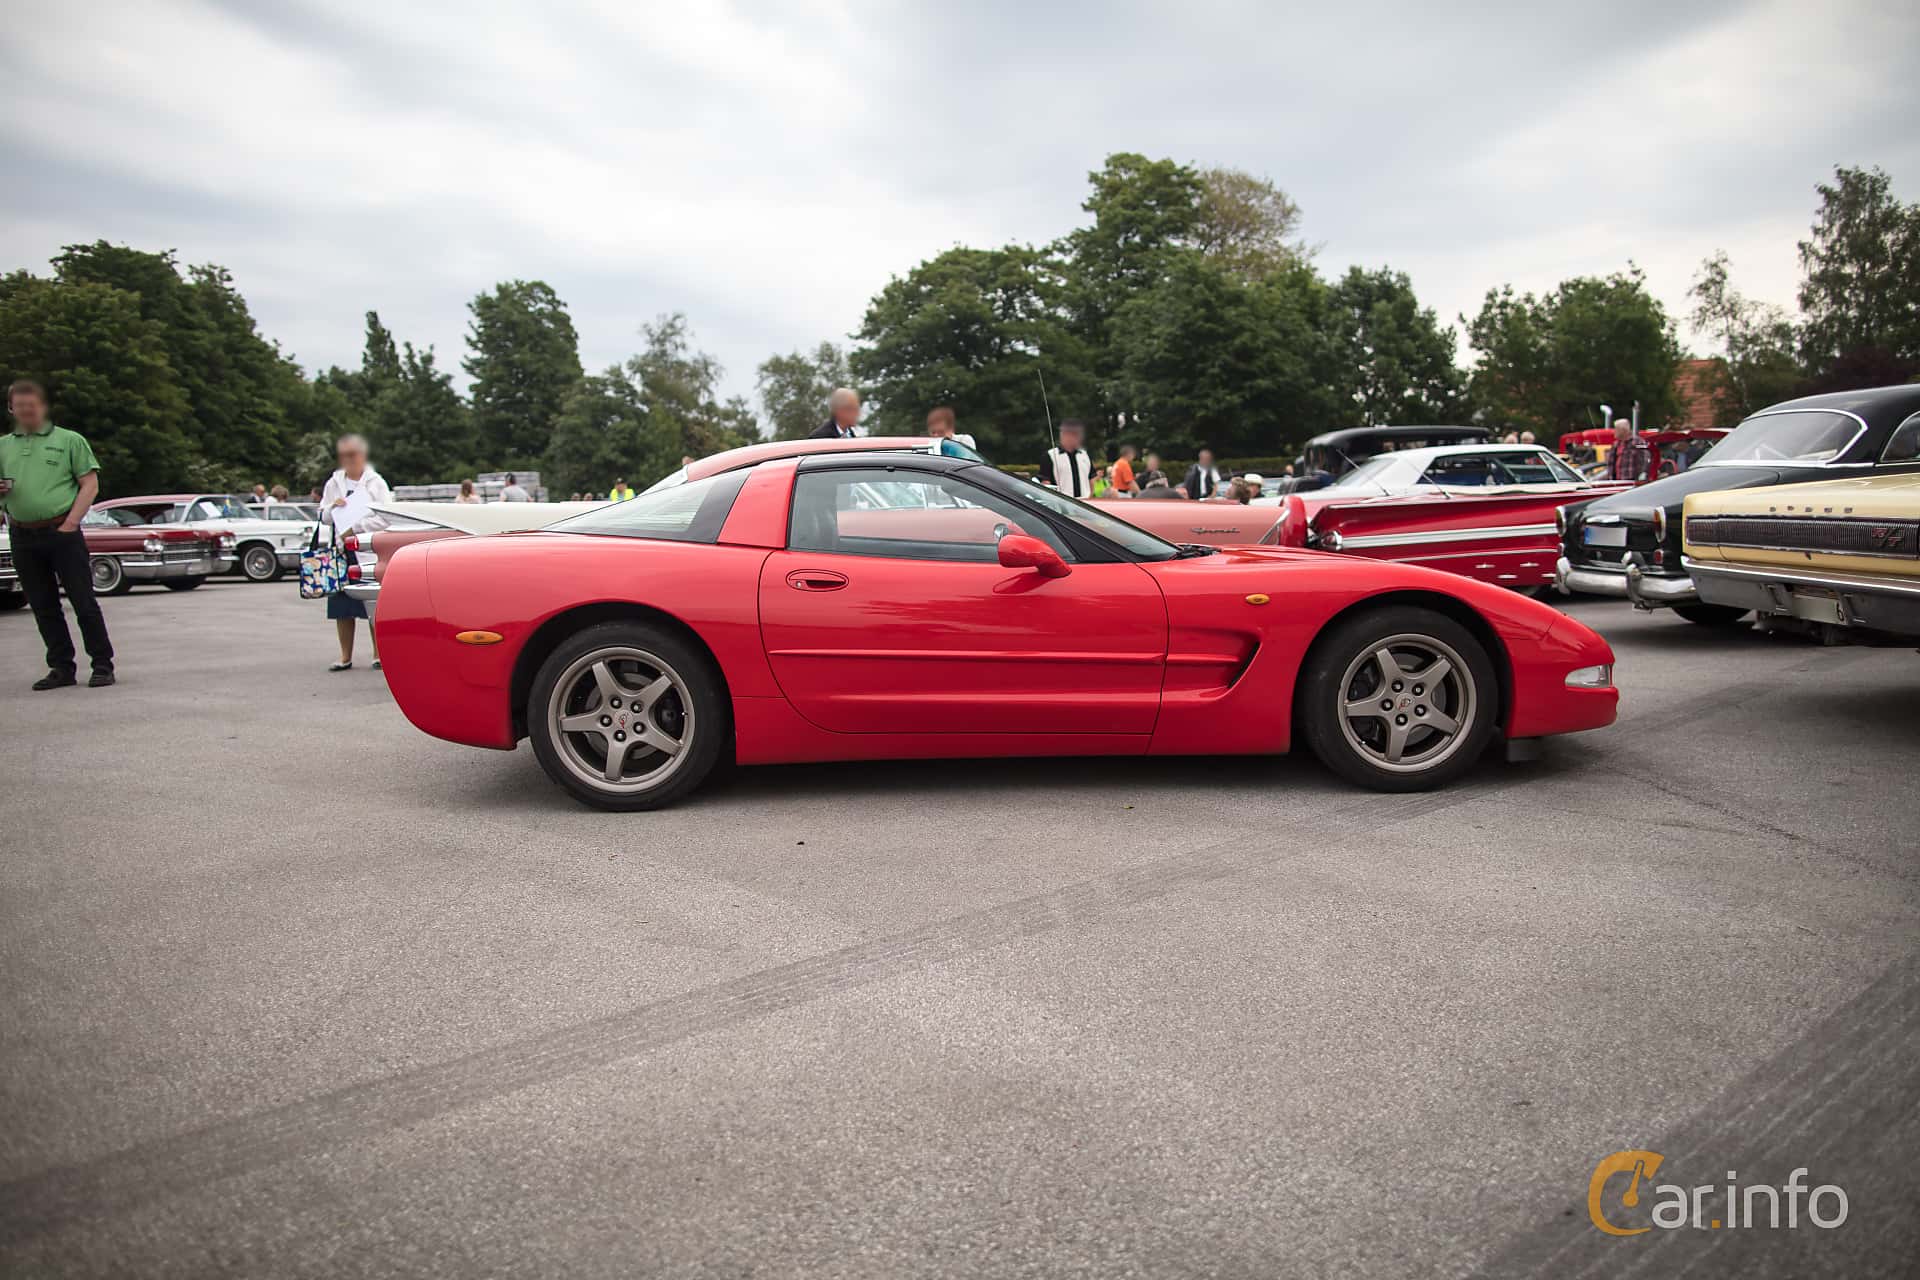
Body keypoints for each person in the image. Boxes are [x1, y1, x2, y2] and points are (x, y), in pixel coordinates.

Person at [0, 380, 115, 689]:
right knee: (42, 605)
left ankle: (102, 664)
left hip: (62, 530)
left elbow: (89, 484)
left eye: (32, 406)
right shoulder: (3, 446)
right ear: (12, 409)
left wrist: (71, 523)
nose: (26, 411)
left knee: (82, 600)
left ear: (43, 407)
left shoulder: (69, 441)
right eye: (20, 406)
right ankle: (61, 667)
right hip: (23, 535)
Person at [317, 434, 390, 672]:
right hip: (341, 552)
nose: (349, 459)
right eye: (345, 455)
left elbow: (385, 517)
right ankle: (344, 655)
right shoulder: (333, 482)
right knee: (341, 607)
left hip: (366, 550)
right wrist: (332, 508)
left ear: (362, 455)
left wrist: (356, 526)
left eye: (353, 454)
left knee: (371, 603)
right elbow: (322, 516)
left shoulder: (375, 482)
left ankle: (378, 654)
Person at [1039, 420, 1094, 497]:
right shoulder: (1050, 455)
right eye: (1070, 434)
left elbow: (1091, 480)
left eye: (1077, 434)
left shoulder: (1085, 455)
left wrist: (1090, 497)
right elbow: (1046, 483)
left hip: (1085, 503)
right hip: (1060, 504)